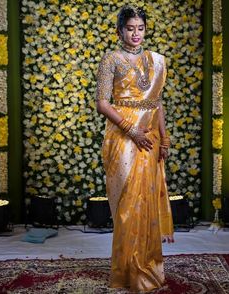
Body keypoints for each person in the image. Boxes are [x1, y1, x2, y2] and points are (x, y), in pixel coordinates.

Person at [96, 5, 174, 293]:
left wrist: (163, 138)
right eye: (130, 28)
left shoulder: (156, 61)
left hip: (150, 138)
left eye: (140, 28)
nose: (136, 33)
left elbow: (156, 103)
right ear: (120, 31)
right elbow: (102, 103)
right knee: (129, 206)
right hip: (123, 138)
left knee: (147, 205)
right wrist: (131, 130)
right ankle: (128, 273)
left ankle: (149, 267)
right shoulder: (110, 60)